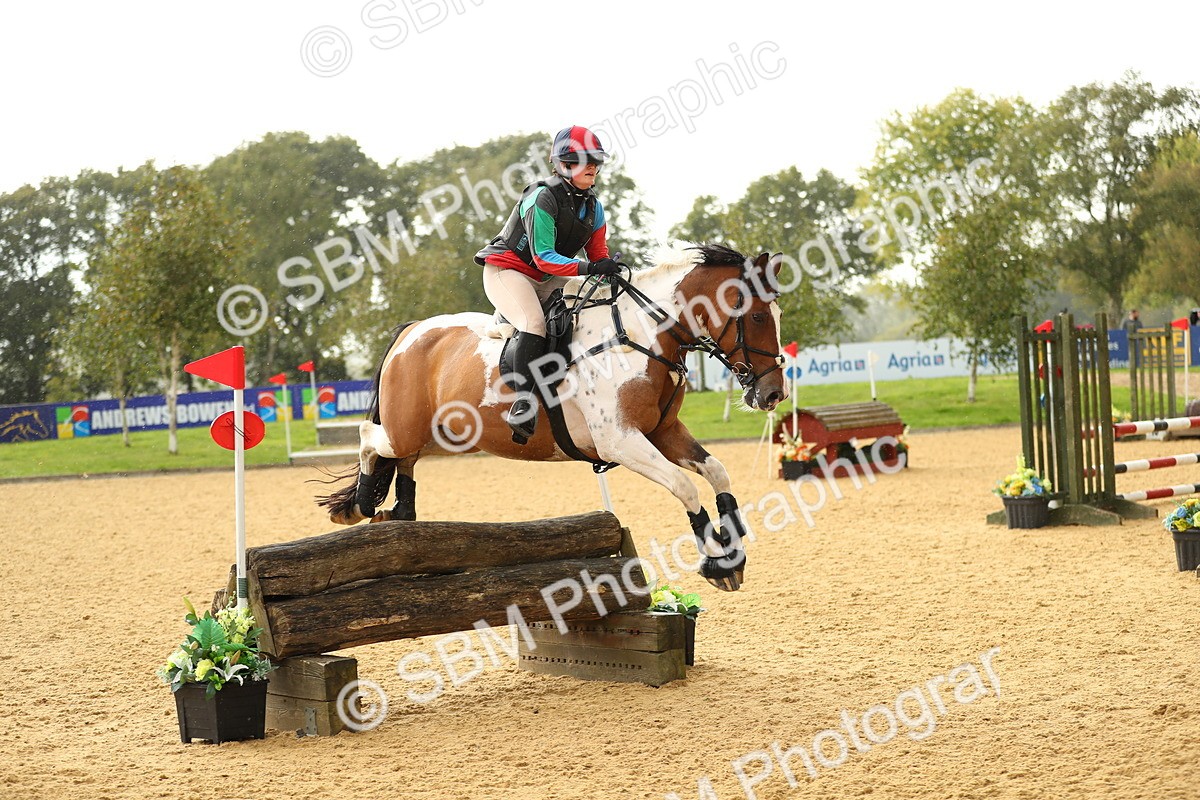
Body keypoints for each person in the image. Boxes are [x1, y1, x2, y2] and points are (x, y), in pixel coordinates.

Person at [474, 125, 623, 443]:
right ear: (566, 165)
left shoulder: (594, 207)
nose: (594, 167)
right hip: (508, 271)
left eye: (597, 161)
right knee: (535, 323)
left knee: (592, 309)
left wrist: (609, 274)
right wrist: (588, 267)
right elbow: (543, 257)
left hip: (548, 277)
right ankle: (524, 404)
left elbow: (597, 256)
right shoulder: (542, 196)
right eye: (587, 161)